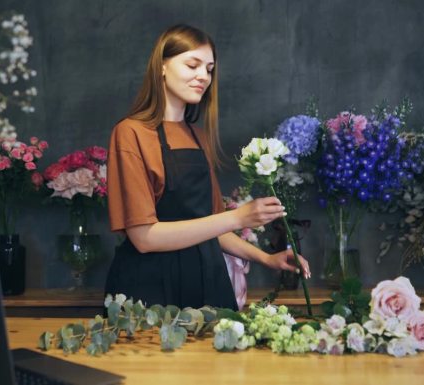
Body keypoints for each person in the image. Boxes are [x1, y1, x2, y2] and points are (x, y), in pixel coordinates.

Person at [104, 24, 311, 310]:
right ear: (162, 67)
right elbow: (144, 238)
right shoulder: (131, 133)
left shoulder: (197, 137)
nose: (203, 76)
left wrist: (266, 258)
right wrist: (238, 218)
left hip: (206, 283)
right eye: (193, 65)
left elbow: (212, 225)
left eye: (209, 69)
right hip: (151, 288)